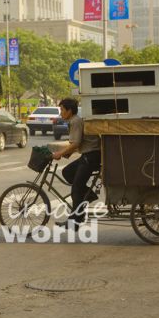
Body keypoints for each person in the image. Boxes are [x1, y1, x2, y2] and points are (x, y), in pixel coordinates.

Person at [51, 98, 101, 229]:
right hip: (88, 154)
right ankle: (88, 194)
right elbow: (77, 144)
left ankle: (75, 222)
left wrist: (60, 154)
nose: (60, 113)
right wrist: (65, 153)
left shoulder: (76, 121)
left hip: (92, 156)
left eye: (62, 109)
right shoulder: (74, 121)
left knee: (76, 189)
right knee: (67, 172)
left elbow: (76, 143)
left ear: (69, 110)